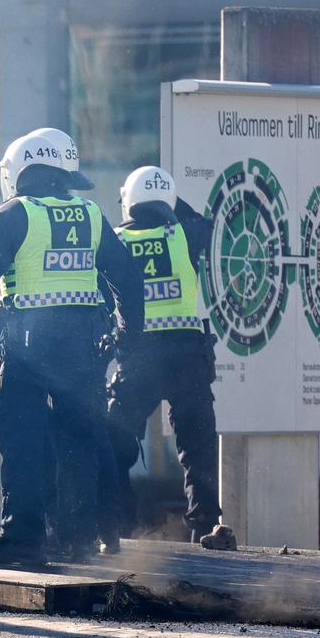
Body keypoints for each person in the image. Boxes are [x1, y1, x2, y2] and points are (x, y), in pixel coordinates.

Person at [0, 130, 143, 566]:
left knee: (22, 441)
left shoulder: (16, 212)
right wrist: (126, 334)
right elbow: (128, 280)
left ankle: (23, 538)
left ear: (19, 169)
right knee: (78, 440)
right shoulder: (92, 214)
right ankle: (77, 539)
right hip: (83, 347)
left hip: (25, 346)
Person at [105, 165, 220, 543]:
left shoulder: (115, 241)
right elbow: (202, 219)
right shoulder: (185, 234)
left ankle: (118, 525)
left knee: (115, 441)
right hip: (187, 352)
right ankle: (206, 526)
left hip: (138, 356)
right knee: (197, 445)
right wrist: (169, 199)